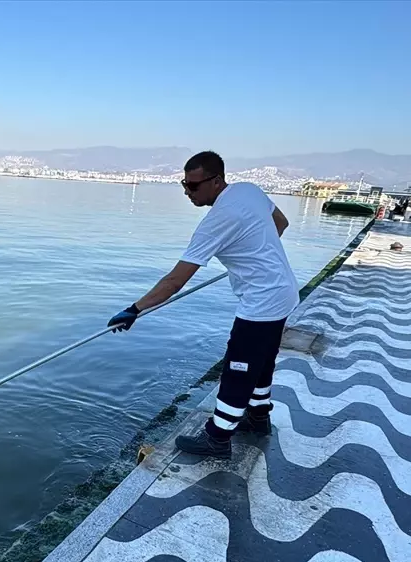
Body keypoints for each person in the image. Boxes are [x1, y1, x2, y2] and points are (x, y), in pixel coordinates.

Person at [107, 151, 297, 457]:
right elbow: (281, 223)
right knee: (261, 361)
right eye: (184, 184)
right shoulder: (249, 190)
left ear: (217, 181)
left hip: (262, 302)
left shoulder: (218, 220)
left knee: (239, 367)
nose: (186, 191)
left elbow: (175, 281)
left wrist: (134, 309)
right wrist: (249, 253)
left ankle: (217, 438)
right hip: (283, 291)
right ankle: (258, 418)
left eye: (193, 186)